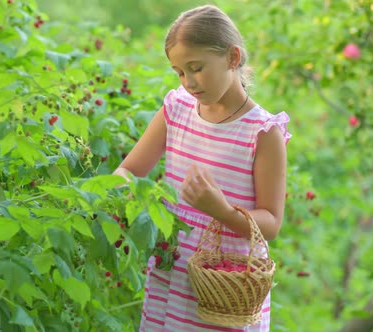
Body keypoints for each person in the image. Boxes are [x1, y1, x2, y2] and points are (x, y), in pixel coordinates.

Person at [113, 4, 291, 331]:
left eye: (196, 68)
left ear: (233, 58)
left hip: (227, 281)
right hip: (173, 264)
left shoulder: (262, 132)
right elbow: (129, 171)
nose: (189, 82)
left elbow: (271, 223)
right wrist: (123, 199)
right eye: (179, 72)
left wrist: (220, 210)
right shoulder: (177, 107)